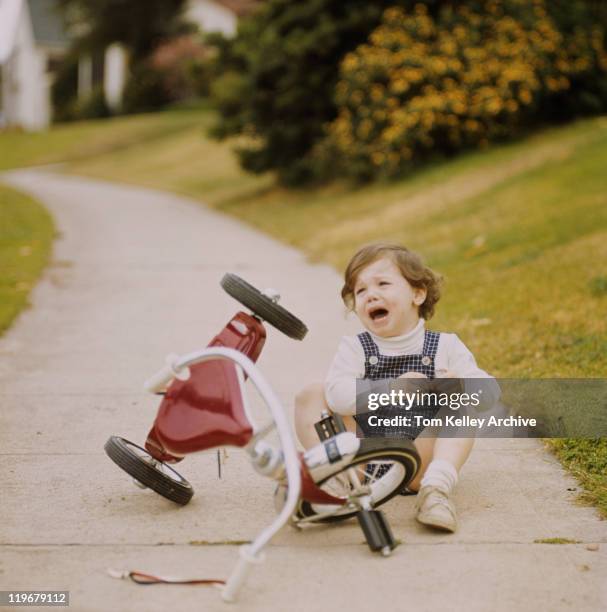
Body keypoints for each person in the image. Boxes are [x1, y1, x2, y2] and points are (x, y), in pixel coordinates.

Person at [294, 242, 499, 533]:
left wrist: (461, 385)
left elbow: (491, 395)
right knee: (311, 394)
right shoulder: (355, 348)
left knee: (461, 405)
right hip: (361, 464)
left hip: (417, 464)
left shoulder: (446, 347)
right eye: (360, 290)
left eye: (383, 283)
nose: (370, 294)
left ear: (418, 293)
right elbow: (338, 398)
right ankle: (338, 482)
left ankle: (436, 490)